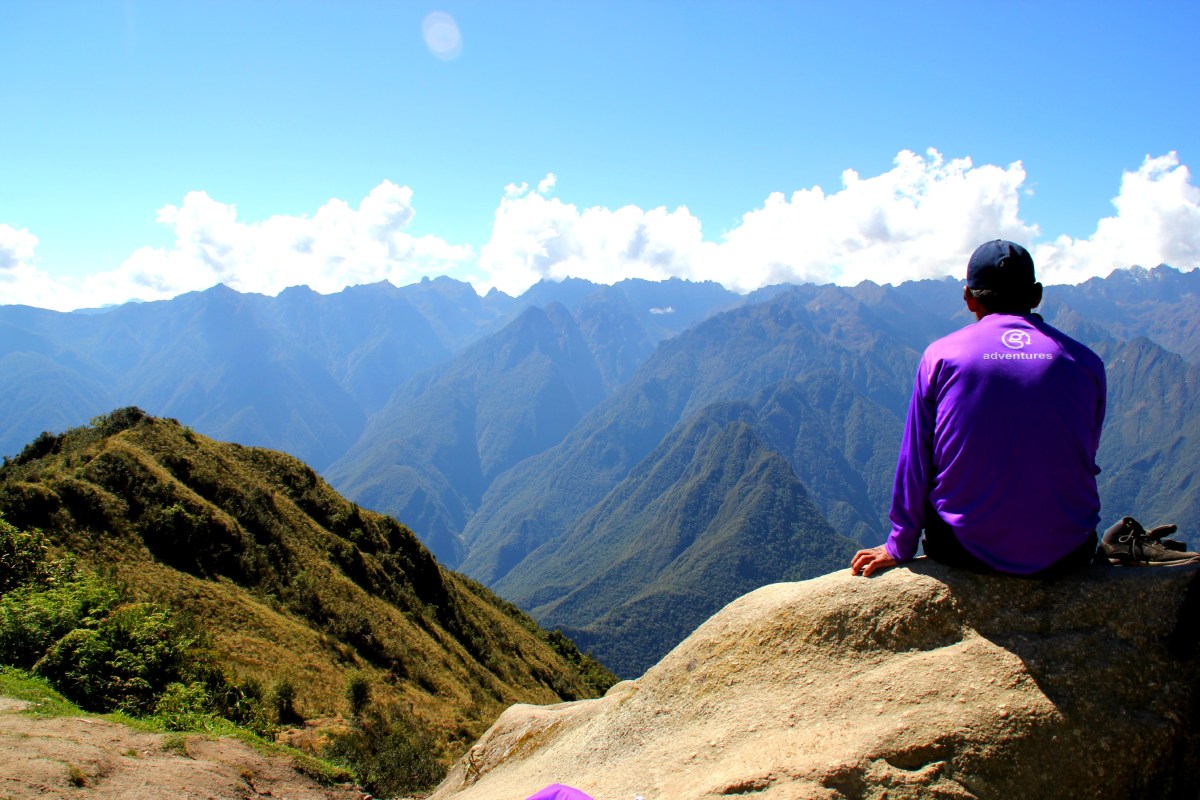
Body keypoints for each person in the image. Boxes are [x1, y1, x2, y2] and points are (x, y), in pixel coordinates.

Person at [851, 239, 1107, 578]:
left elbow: (916, 458)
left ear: (968, 297)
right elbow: (1083, 451)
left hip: (963, 550)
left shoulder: (942, 356)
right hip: (1069, 551)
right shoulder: (1085, 361)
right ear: (1036, 295)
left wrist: (900, 543)